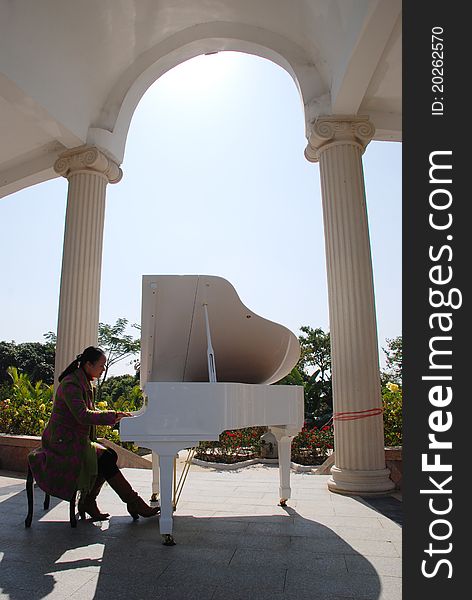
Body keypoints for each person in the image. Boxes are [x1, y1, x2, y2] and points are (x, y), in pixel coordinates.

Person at [28, 346, 159, 521]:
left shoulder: (82, 381)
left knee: (109, 455)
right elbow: (82, 415)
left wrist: (116, 415)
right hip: (62, 443)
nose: (103, 369)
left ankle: (92, 501)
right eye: (101, 366)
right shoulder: (71, 384)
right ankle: (129, 501)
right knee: (106, 458)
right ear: (88, 364)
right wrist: (113, 416)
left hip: (75, 439)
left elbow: (88, 413)